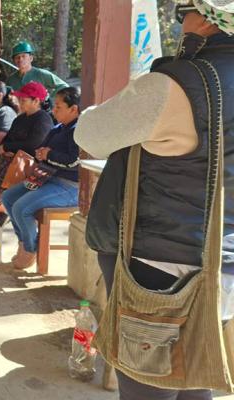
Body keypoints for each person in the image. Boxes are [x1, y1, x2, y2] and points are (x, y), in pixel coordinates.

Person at [76, 2, 234, 398]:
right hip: (224, 262)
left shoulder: (177, 83)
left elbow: (90, 134)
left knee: (148, 386)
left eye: (185, 12)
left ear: (204, 20)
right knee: (196, 376)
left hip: (159, 266)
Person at [1, 87, 81, 270]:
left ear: (73, 109)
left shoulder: (78, 131)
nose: (54, 110)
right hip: (48, 178)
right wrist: (41, 153)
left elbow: (75, 162)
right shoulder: (59, 128)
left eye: (59, 107)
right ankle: (24, 241)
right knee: (8, 197)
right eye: (54, 106)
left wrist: (49, 154)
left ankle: (31, 248)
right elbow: (42, 148)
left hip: (70, 186)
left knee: (22, 207)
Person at [0, 81, 53, 206]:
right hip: (7, 161)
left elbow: (34, 145)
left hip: (26, 167)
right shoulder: (20, 118)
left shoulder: (43, 119)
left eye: (23, 100)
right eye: (19, 99)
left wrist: (7, 147)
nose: (19, 102)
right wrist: (5, 147)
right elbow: (7, 138)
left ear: (36, 101)